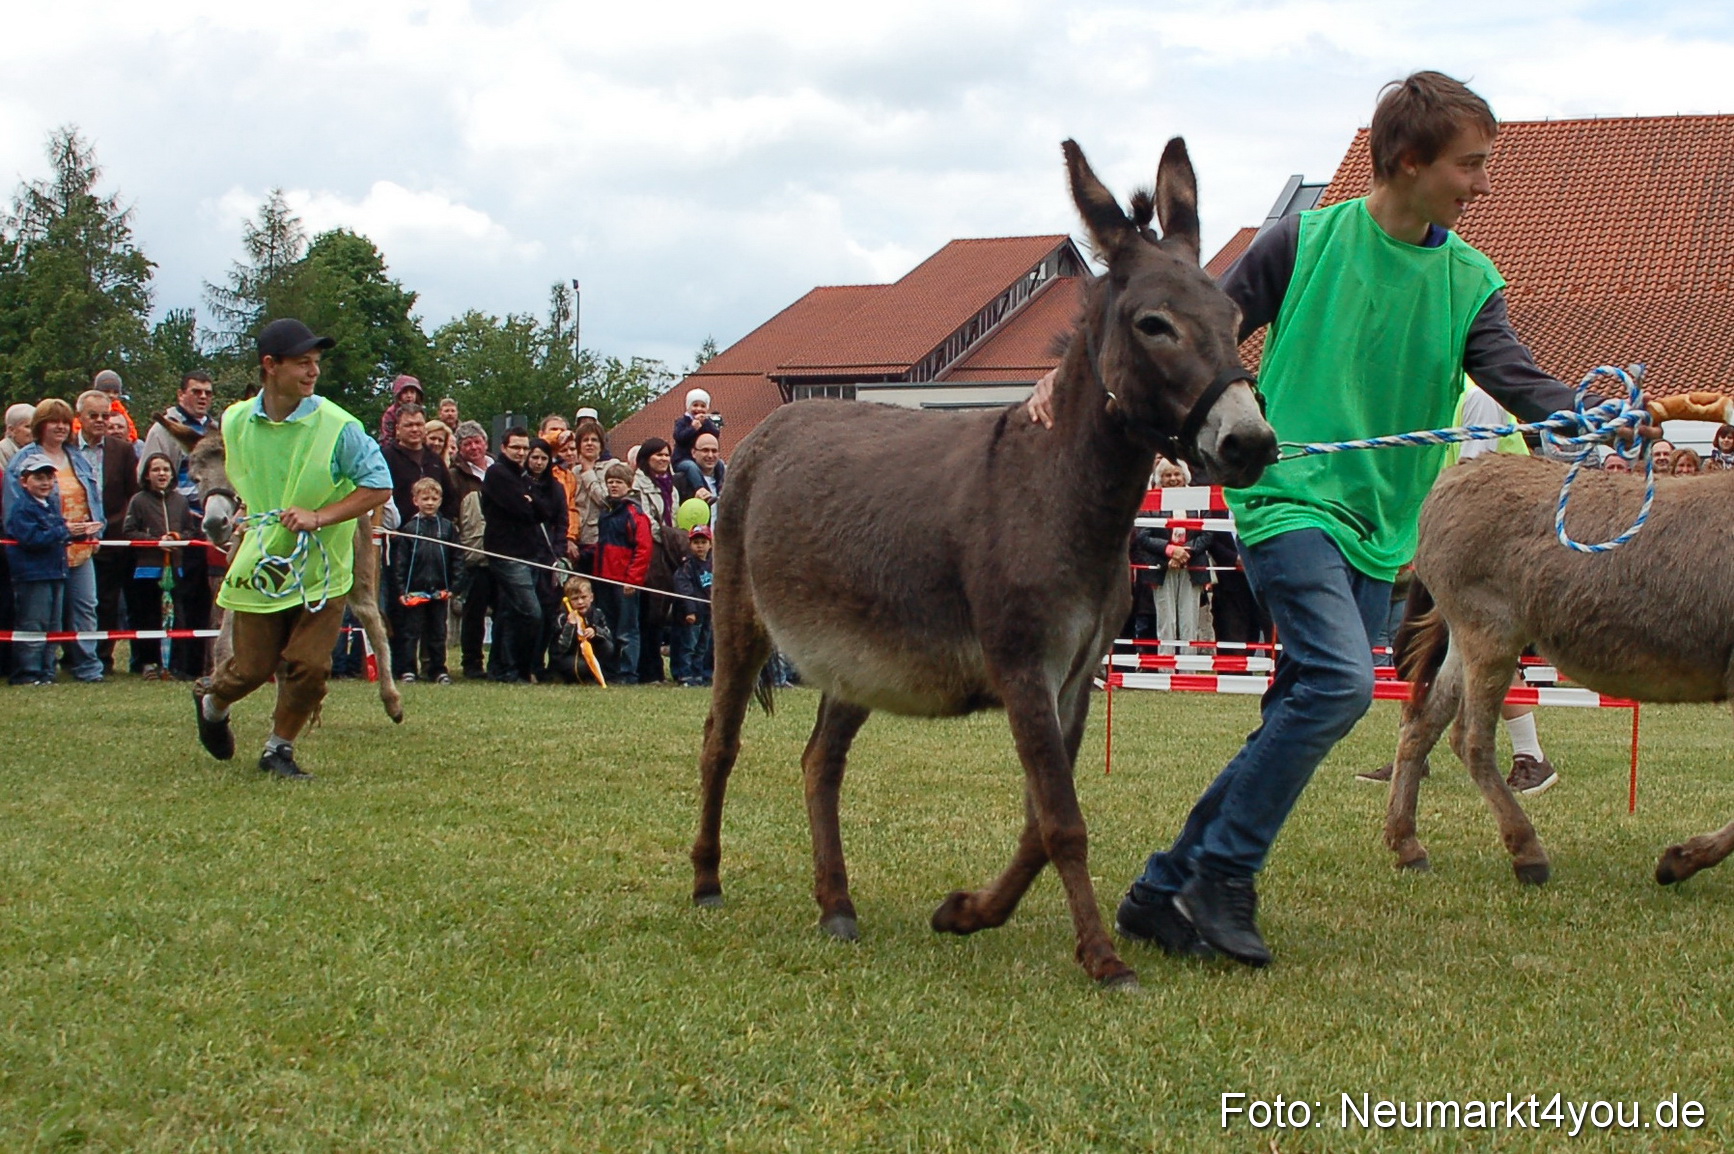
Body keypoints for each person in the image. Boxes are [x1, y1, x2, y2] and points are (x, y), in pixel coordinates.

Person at [1029, 72, 1593, 966]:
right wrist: (1074, 376)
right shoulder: (1304, 242)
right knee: (1339, 683)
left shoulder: (1471, 280)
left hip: (1379, 527)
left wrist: (1588, 414)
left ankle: (1162, 889)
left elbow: (1516, 377)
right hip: (1286, 499)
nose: (1482, 185)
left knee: (1301, 706)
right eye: (1469, 165)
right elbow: (1185, 324)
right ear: (1409, 161)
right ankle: (1223, 877)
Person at [192, 318, 393, 780]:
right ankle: (213, 705)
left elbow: (378, 486)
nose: (313, 372)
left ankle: (278, 749)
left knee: (310, 666)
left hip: (322, 565)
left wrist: (319, 516)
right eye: (302, 363)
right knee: (251, 668)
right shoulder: (236, 421)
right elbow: (240, 475)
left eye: (315, 362)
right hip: (263, 558)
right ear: (271, 365)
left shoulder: (339, 426)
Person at [1359, 382, 1561, 795]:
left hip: (1485, 547)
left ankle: (1532, 757)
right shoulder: (1435, 399)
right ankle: (1412, 755)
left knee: (1483, 649)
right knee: (1414, 650)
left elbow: (1472, 483)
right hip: (1447, 544)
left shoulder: (1478, 396)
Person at [4, 398, 106, 682]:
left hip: (80, 548)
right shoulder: (23, 460)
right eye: (54, 422)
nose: (61, 427)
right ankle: (37, 670)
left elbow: (93, 498)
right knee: (42, 616)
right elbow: (15, 514)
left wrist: (95, 531)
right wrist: (58, 531)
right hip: (43, 553)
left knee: (86, 608)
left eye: (65, 422)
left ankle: (88, 667)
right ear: (41, 426)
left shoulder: (78, 457)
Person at [140, 372, 221, 680]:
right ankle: (169, 663)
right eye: (196, 391)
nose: (203, 397)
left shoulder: (214, 429)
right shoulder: (165, 429)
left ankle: (196, 664)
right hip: (178, 521)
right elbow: (152, 473)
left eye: (208, 393)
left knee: (203, 596)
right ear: (181, 394)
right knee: (176, 595)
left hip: (210, 521)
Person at [73, 389, 140, 673]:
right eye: (94, 415)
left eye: (105, 415)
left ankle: (103, 657)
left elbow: (132, 494)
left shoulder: (122, 450)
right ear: (80, 417)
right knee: (77, 602)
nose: (100, 421)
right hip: (73, 536)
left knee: (108, 601)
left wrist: (116, 526)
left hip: (112, 537)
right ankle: (74, 655)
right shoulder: (67, 448)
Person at [120, 452, 201, 677]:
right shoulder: (139, 501)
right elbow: (129, 531)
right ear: (147, 475)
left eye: (166, 469)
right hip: (148, 569)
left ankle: (176, 664)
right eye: (156, 470)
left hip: (175, 568)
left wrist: (177, 538)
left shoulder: (180, 501)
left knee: (177, 617)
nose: (161, 474)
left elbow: (190, 530)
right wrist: (155, 542)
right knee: (148, 617)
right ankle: (149, 662)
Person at [480, 427, 551, 683]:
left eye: (524, 448)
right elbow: (522, 510)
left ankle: (502, 668)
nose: (521, 453)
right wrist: (529, 502)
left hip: (529, 552)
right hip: (506, 553)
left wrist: (531, 501)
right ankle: (515, 667)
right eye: (516, 448)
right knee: (530, 612)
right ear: (503, 448)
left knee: (509, 613)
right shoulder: (497, 473)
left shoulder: (523, 476)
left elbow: (545, 511)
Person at [6, 460, 76, 685]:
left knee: (54, 626)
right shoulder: (22, 508)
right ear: (23, 482)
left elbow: (59, 533)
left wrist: (78, 532)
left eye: (49, 478)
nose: (45, 483)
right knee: (33, 625)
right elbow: (31, 539)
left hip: (56, 572)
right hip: (33, 575)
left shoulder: (51, 505)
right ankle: (27, 673)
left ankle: (47, 672)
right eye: (38, 478)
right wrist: (64, 531)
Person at [390, 477, 459, 684]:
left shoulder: (447, 528)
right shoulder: (409, 529)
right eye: (425, 499)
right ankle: (408, 669)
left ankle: (438, 669)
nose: (430, 503)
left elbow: (457, 558)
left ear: (440, 500)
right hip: (414, 590)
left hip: (439, 589)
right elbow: (400, 563)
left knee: (438, 632)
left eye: (434, 499)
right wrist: (401, 590)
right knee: (411, 632)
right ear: (415, 501)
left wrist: (454, 586)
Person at [593, 461, 654, 685]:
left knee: (627, 630)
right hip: (603, 578)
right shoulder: (606, 512)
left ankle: (628, 672)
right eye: (610, 482)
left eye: (618, 482)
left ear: (628, 485)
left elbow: (644, 549)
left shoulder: (635, 514)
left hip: (624, 581)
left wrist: (633, 580)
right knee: (607, 628)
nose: (613, 486)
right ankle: (610, 670)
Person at [548, 574, 614, 685]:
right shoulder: (562, 617)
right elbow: (562, 648)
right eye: (575, 599)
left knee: (608, 647)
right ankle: (563, 676)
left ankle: (601, 675)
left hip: (589, 653)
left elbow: (608, 635)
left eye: (583, 597)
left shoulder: (597, 613)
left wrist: (595, 631)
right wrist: (570, 626)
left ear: (591, 597)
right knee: (583, 666)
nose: (580, 602)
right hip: (567, 657)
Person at [672, 524, 715, 685]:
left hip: (708, 612)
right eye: (696, 542)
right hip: (694, 613)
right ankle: (685, 674)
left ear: (710, 544)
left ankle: (699, 674)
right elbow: (684, 590)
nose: (700, 546)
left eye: (703, 542)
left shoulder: (713, 565)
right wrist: (690, 611)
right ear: (690, 544)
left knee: (704, 646)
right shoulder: (687, 567)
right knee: (689, 645)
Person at [569, 418, 610, 572]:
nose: (589, 444)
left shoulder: (611, 467)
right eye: (585, 440)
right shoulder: (573, 473)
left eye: (594, 440)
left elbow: (605, 500)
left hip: (601, 539)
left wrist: (588, 472)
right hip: (578, 540)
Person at [671, 389, 721, 494]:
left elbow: (715, 435)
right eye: (695, 405)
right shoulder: (682, 422)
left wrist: (705, 423)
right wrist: (692, 429)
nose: (699, 409)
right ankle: (702, 489)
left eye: (703, 406)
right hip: (683, 459)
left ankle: (721, 488)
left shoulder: (707, 423)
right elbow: (679, 438)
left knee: (720, 464)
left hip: (701, 459)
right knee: (691, 467)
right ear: (688, 407)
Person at [87, 369, 139, 442]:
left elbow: (131, 431)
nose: (111, 395)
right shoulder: (88, 407)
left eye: (115, 392)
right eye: (106, 391)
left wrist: (129, 439)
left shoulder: (119, 409)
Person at [676, 432, 726, 504]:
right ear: (693, 453)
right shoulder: (680, 482)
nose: (710, 455)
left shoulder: (726, 482)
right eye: (705, 450)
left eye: (714, 451)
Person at [377, 373, 424, 447]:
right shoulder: (391, 413)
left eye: (412, 392)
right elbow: (387, 437)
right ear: (399, 394)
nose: (409, 396)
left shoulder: (420, 412)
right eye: (405, 392)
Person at [1, 402, 34, 468]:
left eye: (36, 426)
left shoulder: (38, 449)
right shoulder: (2, 452)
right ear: (11, 430)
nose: (34, 431)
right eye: (28, 426)